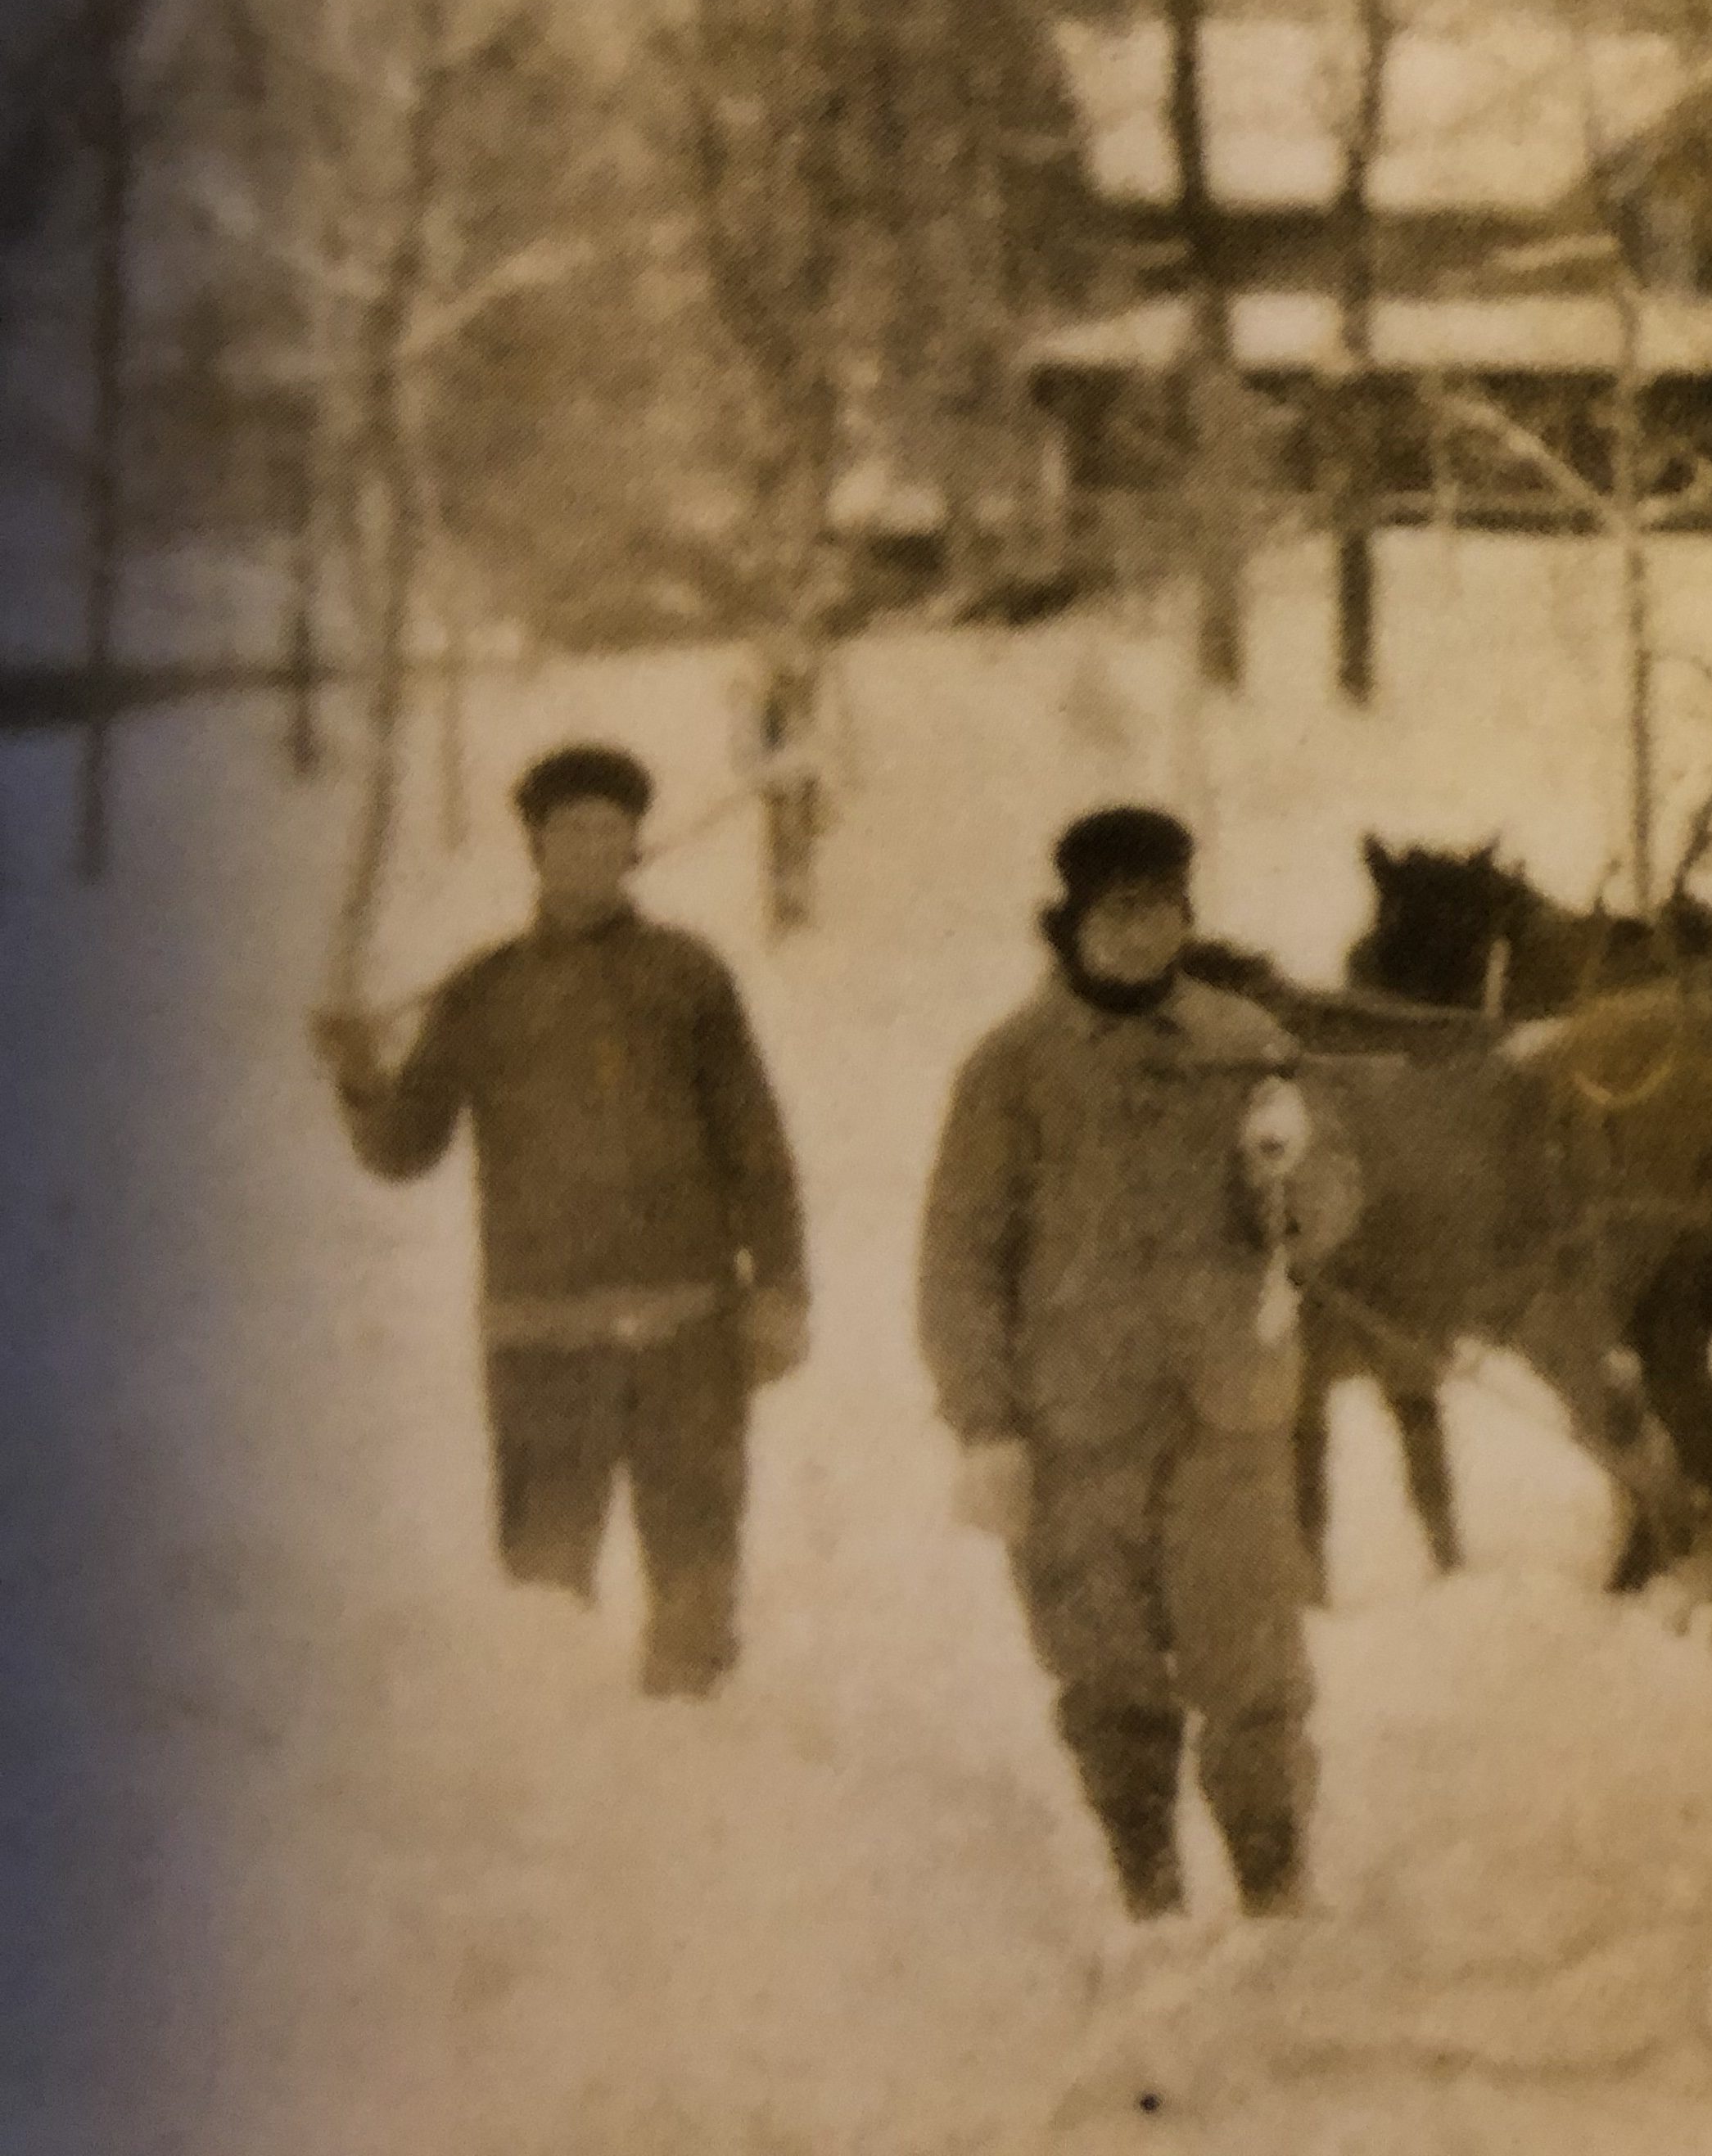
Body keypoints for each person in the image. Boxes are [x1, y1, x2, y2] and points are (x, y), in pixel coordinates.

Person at [919, 807, 1362, 1924]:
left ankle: (1276, 1890)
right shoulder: (1012, 1071)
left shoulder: (1248, 1044)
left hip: (1226, 1418)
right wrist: (986, 1424)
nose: (1141, 934)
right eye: (1117, 913)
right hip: (1075, 1437)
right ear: (1071, 925)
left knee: (1253, 1674)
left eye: (1162, 910)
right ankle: (1150, 1897)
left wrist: (1296, 1183)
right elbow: (959, 1260)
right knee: (1106, 1682)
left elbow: (1331, 1200)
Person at [310, 743, 810, 1700]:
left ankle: (695, 1770)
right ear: (535, 847)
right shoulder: (482, 991)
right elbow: (404, 1149)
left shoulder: (688, 976)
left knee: (697, 1577)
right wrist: (358, 1072)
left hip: (687, 1331)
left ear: (634, 848)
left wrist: (780, 1288)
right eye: (569, 830)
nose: (590, 847)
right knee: (542, 1593)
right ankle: (556, 1783)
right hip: (542, 1339)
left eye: (610, 830)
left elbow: (756, 1146)